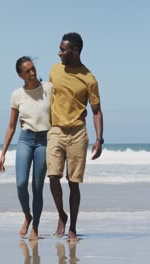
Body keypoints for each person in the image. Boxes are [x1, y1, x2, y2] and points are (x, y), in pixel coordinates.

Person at [47, 32, 104, 242]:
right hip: (56, 131)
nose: (59, 52)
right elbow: (46, 97)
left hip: (78, 133)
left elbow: (96, 110)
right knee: (53, 177)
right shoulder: (54, 70)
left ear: (76, 51)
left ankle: (72, 227)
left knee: (73, 182)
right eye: (60, 48)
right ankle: (61, 214)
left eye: (63, 49)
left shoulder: (89, 78)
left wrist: (100, 139)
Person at [0, 56, 53, 240]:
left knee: (37, 187)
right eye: (27, 71)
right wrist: (3, 153)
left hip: (44, 141)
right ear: (20, 75)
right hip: (26, 139)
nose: (32, 72)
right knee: (21, 184)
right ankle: (27, 215)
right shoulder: (17, 95)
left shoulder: (49, 89)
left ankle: (35, 226)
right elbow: (12, 126)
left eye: (33, 68)